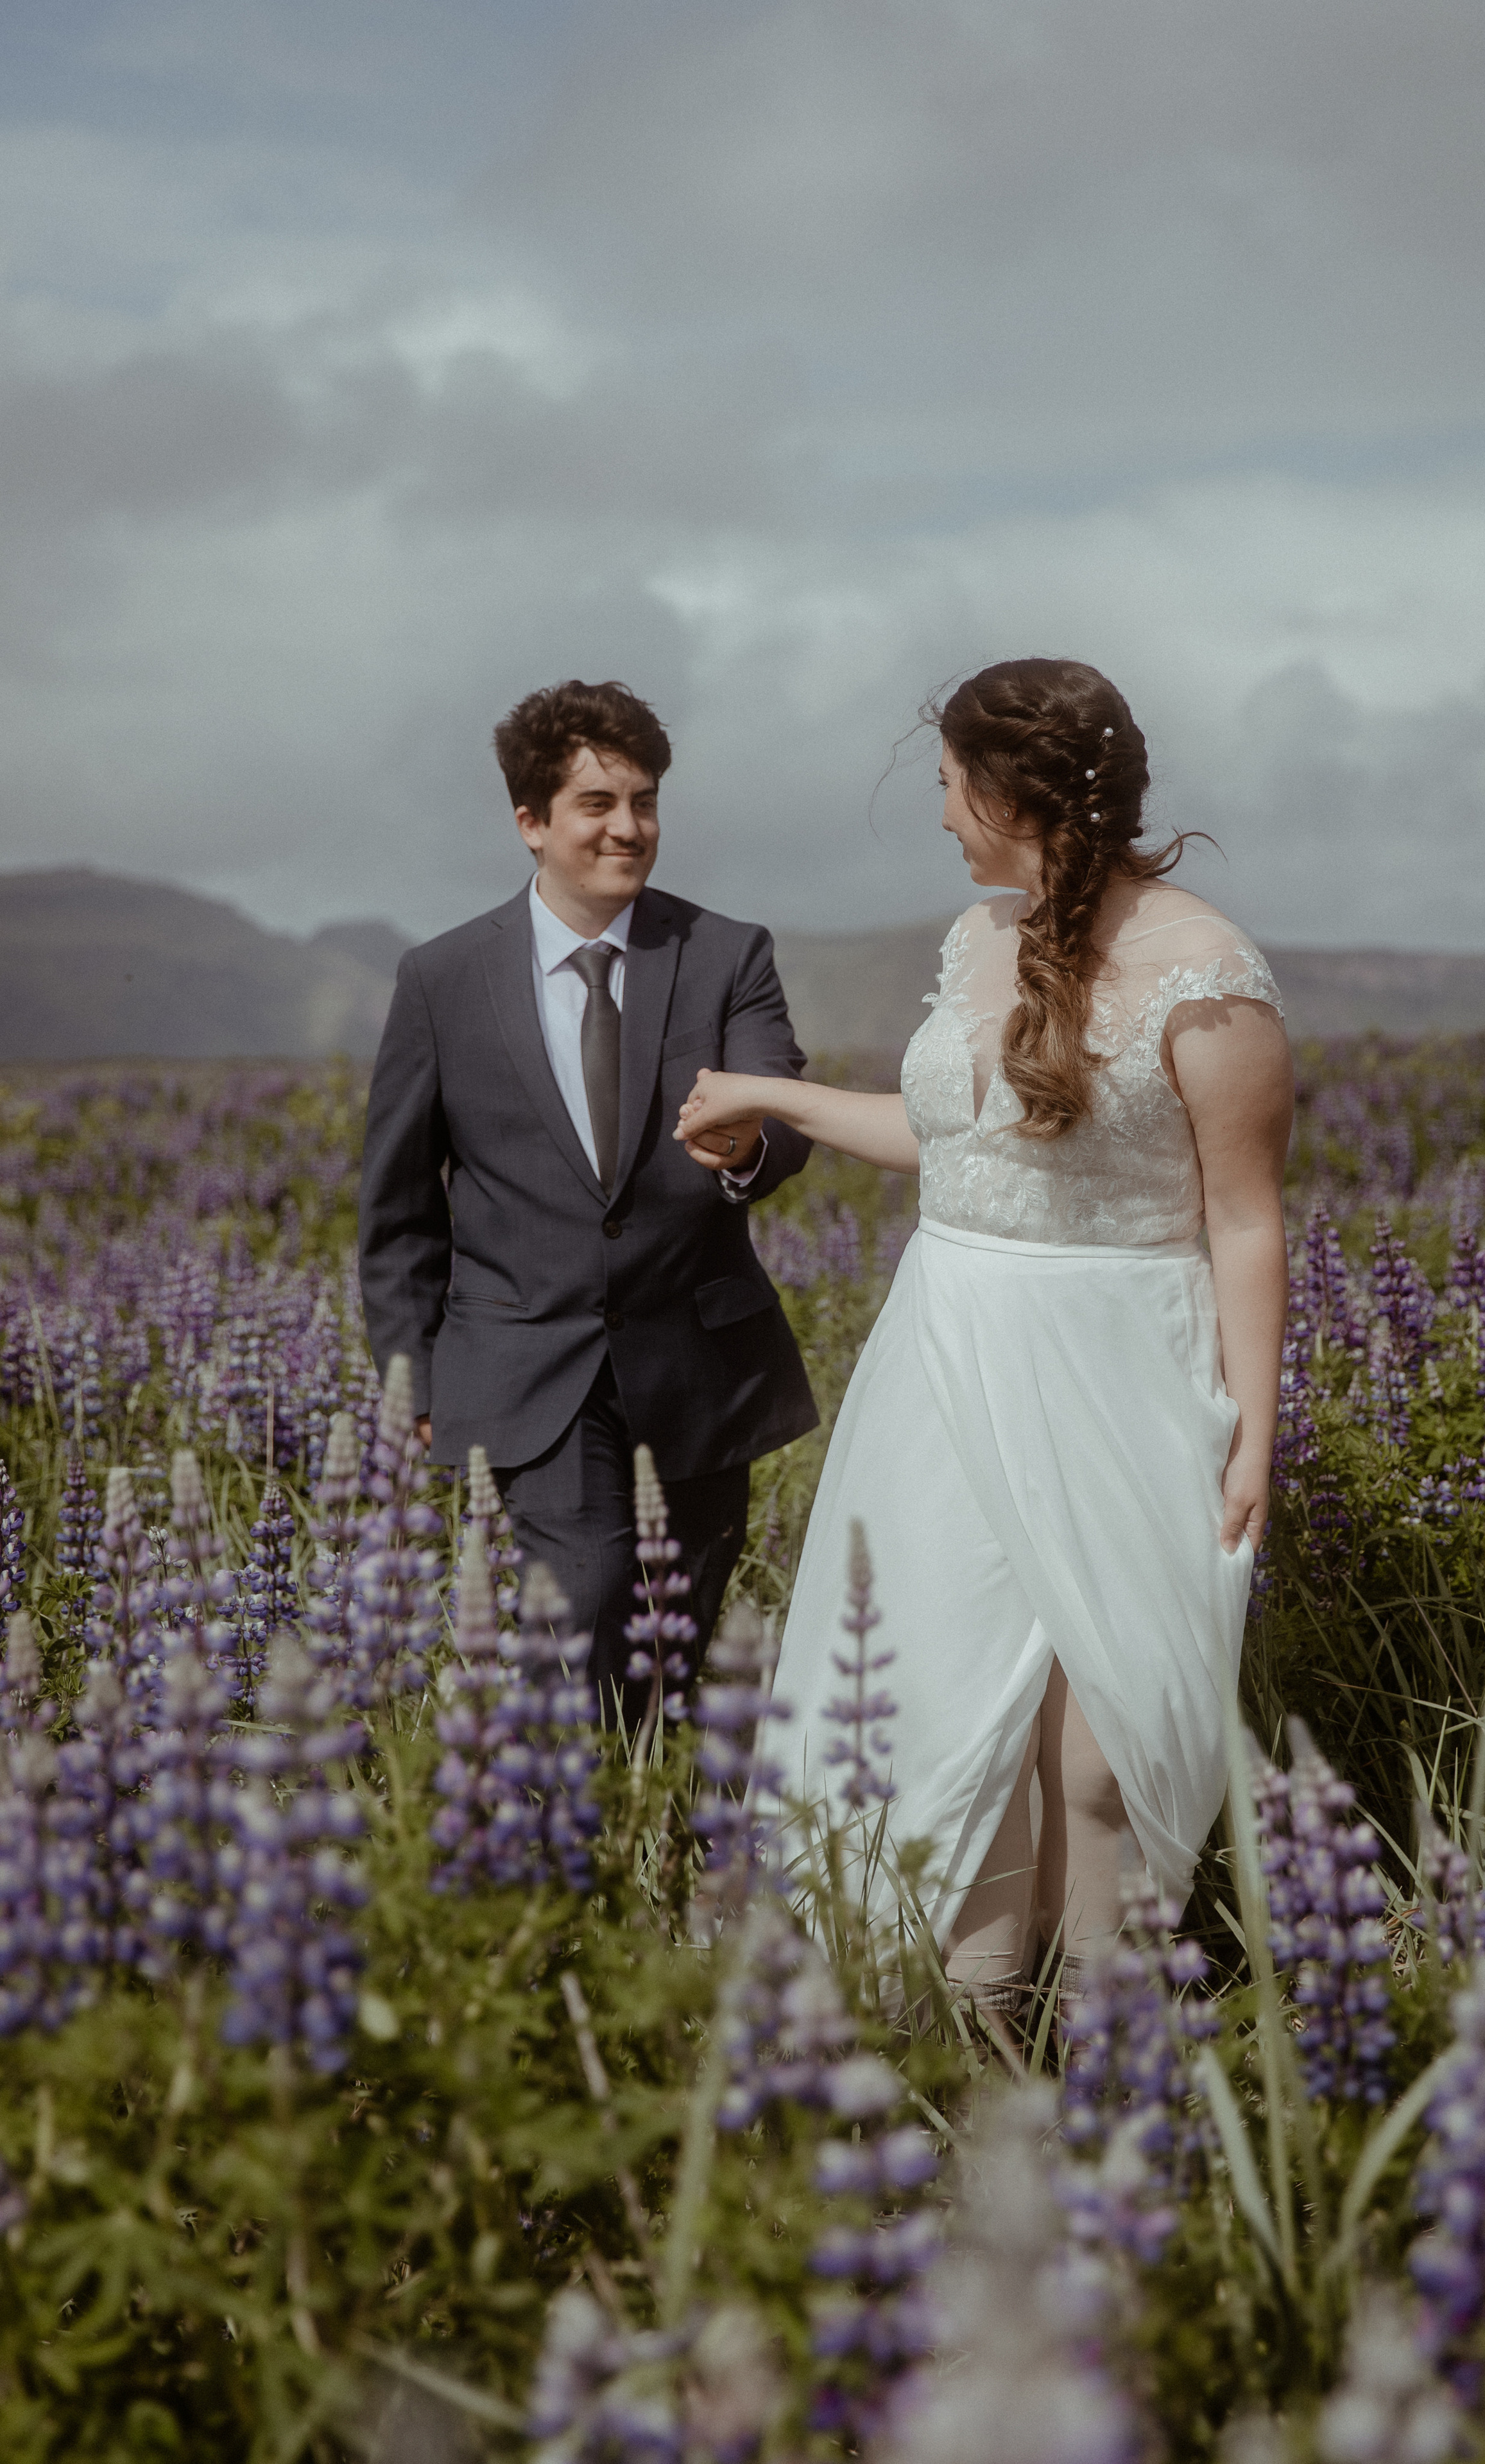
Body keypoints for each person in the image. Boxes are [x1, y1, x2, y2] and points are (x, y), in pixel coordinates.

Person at [675, 656, 1292, 2014]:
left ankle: (1108, 2035)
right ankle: (976, 2036)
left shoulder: (1207, 974)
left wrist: (1252, 1431)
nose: (941, 815)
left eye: (953, 787)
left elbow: (1246, 1218)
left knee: (1101, 1741)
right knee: (953, 1707)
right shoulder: (975, 938)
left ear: (1015, 796)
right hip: (946, 1350)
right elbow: (957, 1144)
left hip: (1124, 1366)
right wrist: (775, 1097)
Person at [358, 678, 818, 1714]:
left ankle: (661, 1817)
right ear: (531, 821)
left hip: (699, 1369)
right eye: (598, 805)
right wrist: (410, 1384)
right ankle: (557, 1814)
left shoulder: (725, 952)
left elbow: (781, 1109)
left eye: (644, 803)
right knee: (580, 1630)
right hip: (528, 1370)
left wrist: (748, 1142)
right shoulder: (443, 978)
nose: (629, 828)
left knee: (675, 1662)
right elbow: (398, 1210)